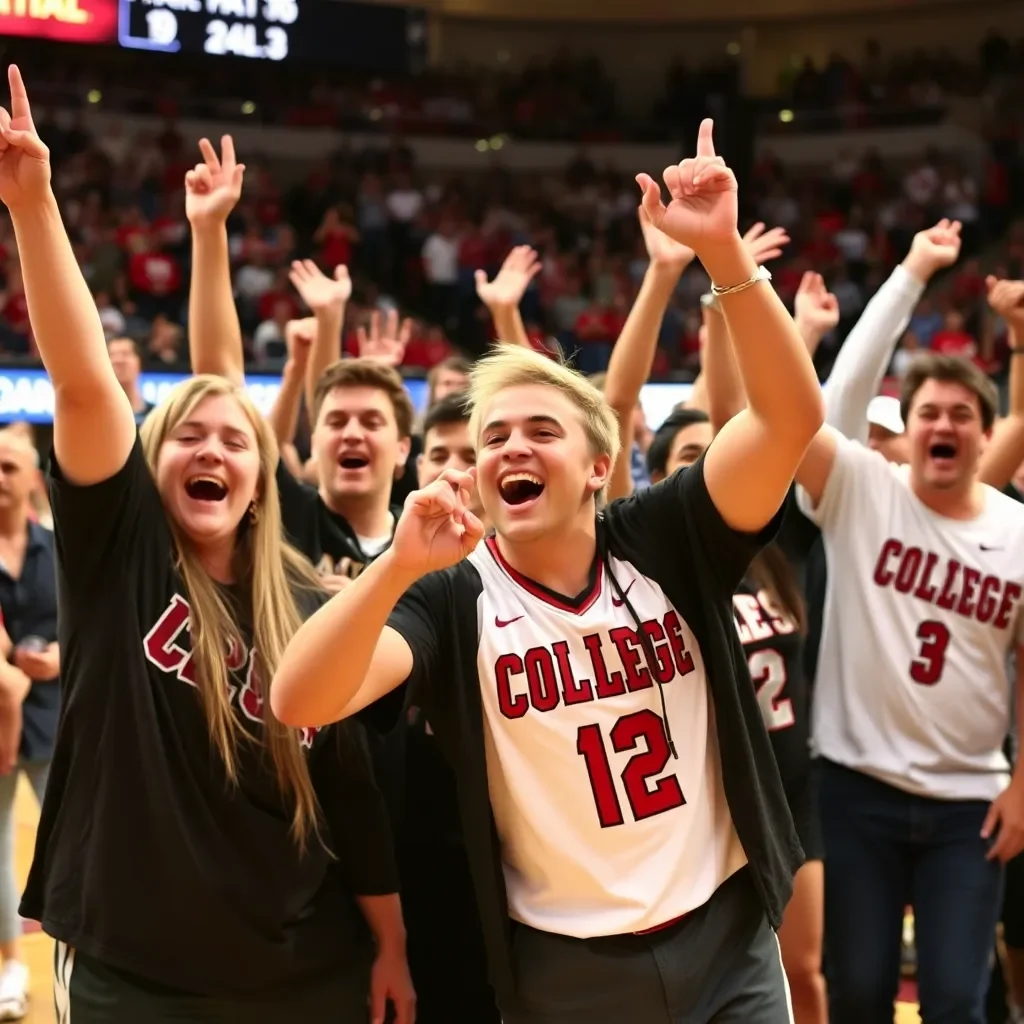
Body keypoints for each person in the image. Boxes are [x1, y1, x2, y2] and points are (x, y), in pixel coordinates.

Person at [273, 120, 825, 1023]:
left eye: (540, 431)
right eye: (492, 437)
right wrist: (391, 570)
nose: (509, 449)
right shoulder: (452, 595)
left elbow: (790, 415)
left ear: (598, 465)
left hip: (727, 943)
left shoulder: (667, 532)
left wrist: (723, 252)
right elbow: (299, 699)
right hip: (567, 971)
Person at [0, 67, 414, 1021]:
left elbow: (349, 791)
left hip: (303, 967)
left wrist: (390, 939)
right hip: (137, 973)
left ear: (267, 481)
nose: (213, 449)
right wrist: (33, 204)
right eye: (187, 435)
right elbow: (83, 386)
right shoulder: (123, 554)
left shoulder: (311, 601)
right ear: (149, 461)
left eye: (236, 441)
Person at [796, 352, 1024, 1024]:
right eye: (927, 412)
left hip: (969, 806)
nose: (941, 426)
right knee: (860, 992)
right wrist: (911, 272)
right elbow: (832, 408)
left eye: (960, 414)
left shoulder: (1017, 532)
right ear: (909, 426)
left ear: (988, 435)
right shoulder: (864, 489)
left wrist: (1022, 782)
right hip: (856, 789)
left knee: (957, 999)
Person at [0, 427, 58, 1021]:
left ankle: (80, 952)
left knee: (71, 838)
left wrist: (60, 656)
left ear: (33, 479)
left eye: (9, 467)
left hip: (55, 713)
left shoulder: (57, 547)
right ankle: (12, 968)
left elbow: (89, 621)